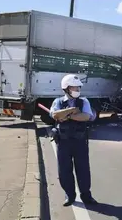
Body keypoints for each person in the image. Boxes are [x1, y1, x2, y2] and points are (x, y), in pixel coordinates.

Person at [49, 74, 98, 207]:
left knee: (83, 169)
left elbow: (86, 116)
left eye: (78, 87)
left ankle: (86, 195)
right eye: (74, 87)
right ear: (66, 89)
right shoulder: (58, 102)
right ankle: (69, 196)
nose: (77, 90)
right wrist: (71, 113)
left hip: (80, 141)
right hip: (63, 141)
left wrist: (67, 115)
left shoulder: (84, 101)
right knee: (64, 170)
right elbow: (55, 115)